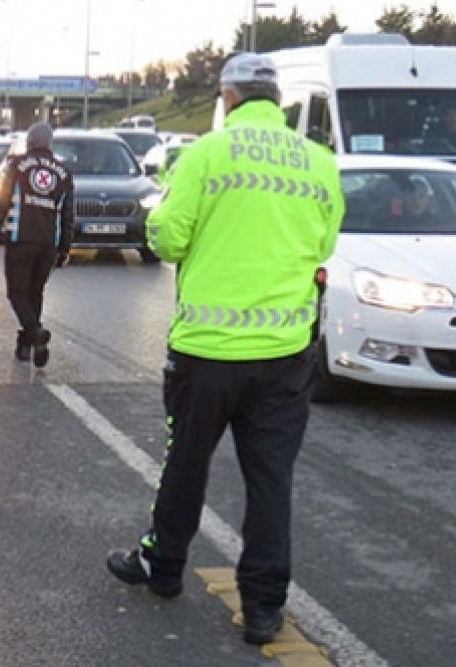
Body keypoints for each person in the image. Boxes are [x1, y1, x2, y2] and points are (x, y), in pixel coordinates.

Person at [105, 53, 344, 646]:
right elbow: (324, 242)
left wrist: (164, 227)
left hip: (206, 353)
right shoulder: (318, 161)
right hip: (285, 354)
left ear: (229, 98)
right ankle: (262, 608)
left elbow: (168, 238)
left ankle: (163, 569)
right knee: (271, 483)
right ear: (276, 99)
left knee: (185, 466)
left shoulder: (206, 154)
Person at [0, 122, 75, 367]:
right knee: (35, 292)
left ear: (29, 141)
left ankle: (35, 333)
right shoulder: (64, 172)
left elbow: (3, 200)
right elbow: (68, 214)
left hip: (20, 239)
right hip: (48, 243)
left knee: (17, 293)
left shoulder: (17, 165)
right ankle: (25, 346)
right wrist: (65, 249)